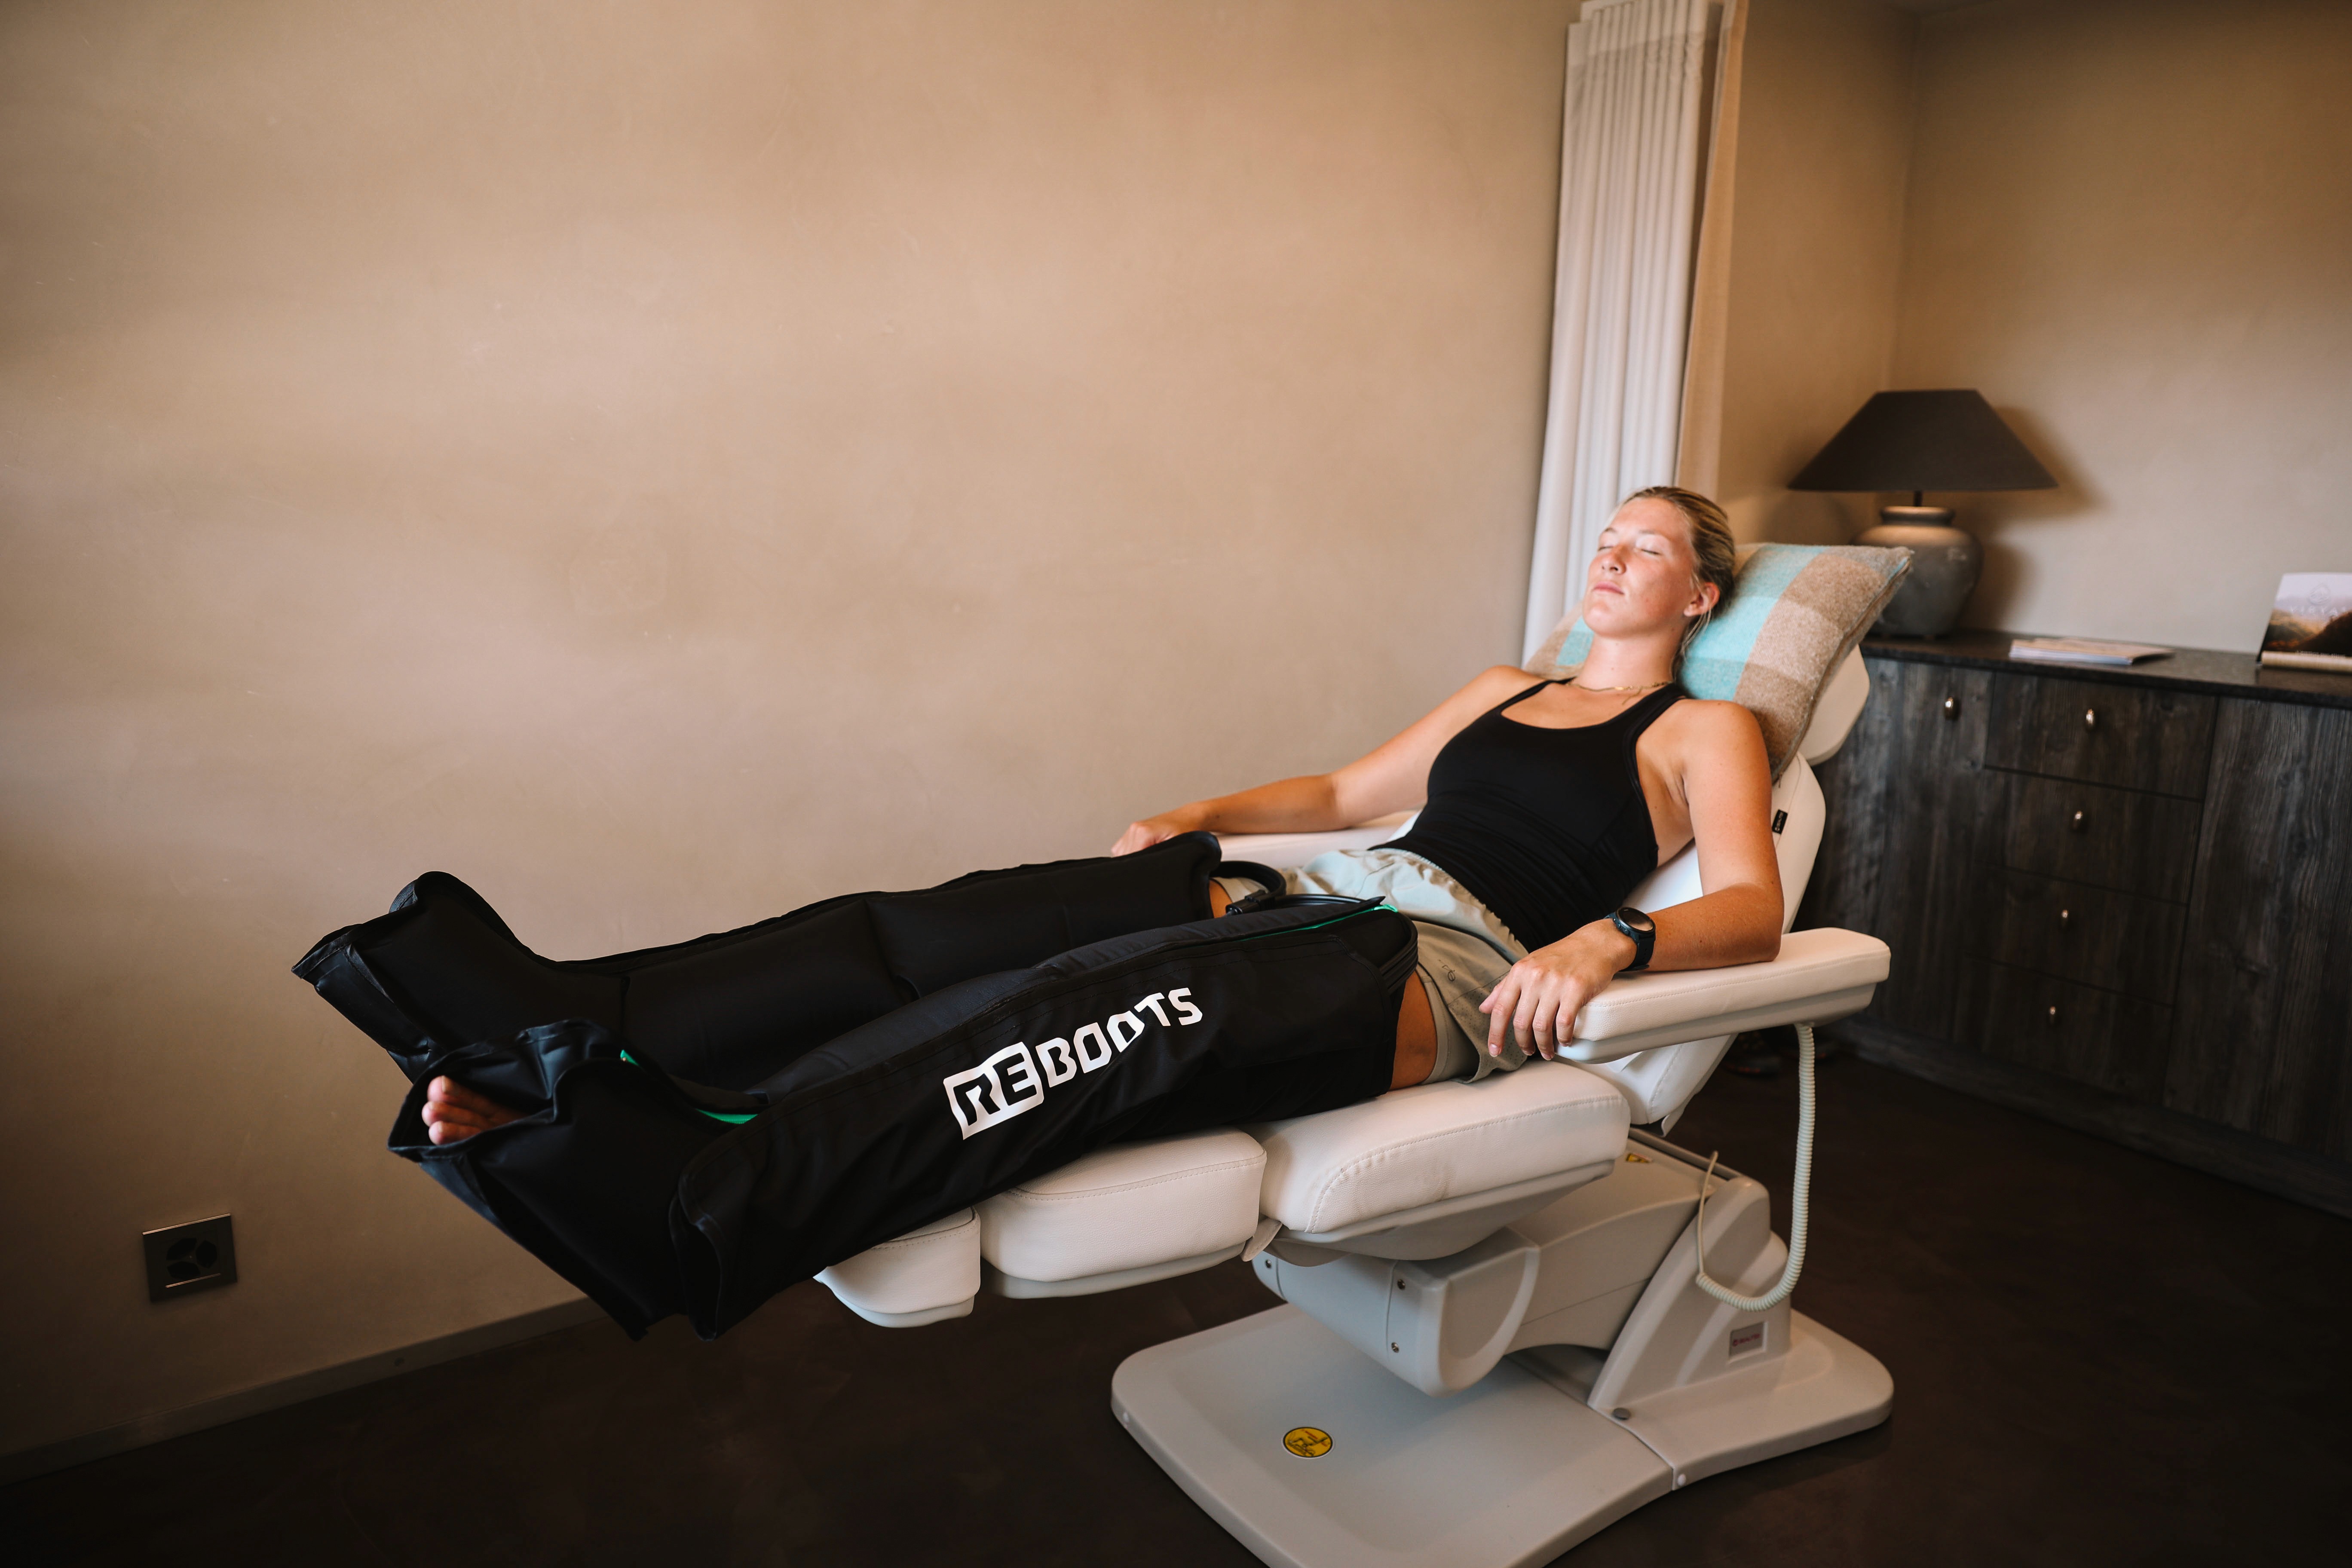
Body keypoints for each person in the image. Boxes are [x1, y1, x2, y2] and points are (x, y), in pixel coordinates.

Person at [418, 485, 1782, 1147]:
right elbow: (1347, 797)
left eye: (1649, 545)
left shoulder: (1702, 730)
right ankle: (586, 1016)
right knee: (930, 929)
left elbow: (1750, 909)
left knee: (1042, 1011)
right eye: (1606, 535)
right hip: (1318, 903)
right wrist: (1193, 814)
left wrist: (1610, 942)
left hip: (1444, 961)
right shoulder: (1504, 684)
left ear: (1703, 597)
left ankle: (661, 1132)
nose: (1613, 554)